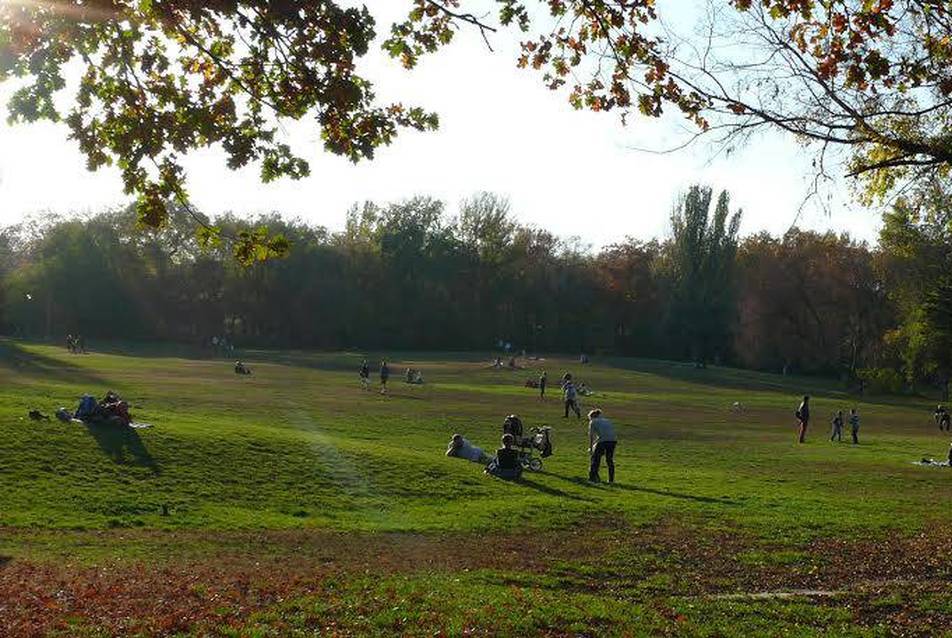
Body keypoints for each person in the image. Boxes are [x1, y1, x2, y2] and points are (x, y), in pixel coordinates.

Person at [588, 408, 617, 483]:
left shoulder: (593, 422)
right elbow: (606, 434)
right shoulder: (607, 420)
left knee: (595, 459)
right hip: (613, 441)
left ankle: (593, 478)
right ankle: (611, 480)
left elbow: (591, 436)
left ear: (592, 416)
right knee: (609, 460)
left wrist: (591, 448)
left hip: (603, 441)